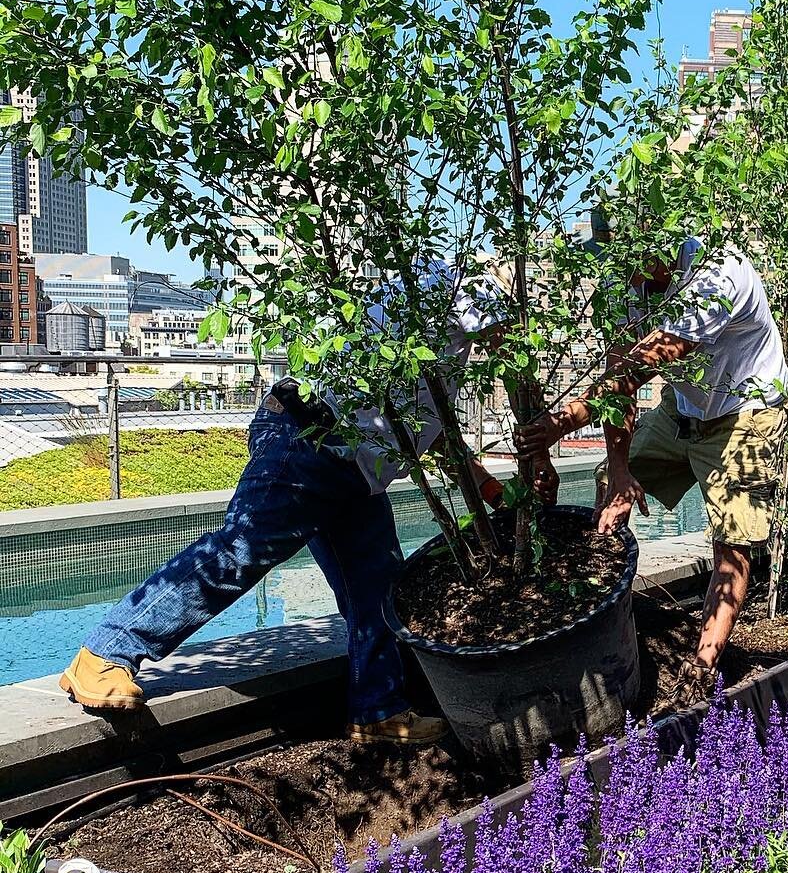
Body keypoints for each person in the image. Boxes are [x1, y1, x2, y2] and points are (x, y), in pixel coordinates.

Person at [60, 270, 557, 743]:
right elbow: (513, 358)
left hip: (356, 466)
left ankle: (378, 711)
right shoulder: (452, 284)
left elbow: (435, 429)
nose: (519, 317)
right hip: (311, 438)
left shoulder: (440, 344)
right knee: (239, 552)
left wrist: (494, 492)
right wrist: (540, 440)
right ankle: (106, 652)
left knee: (377, 588)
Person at [517, 226, 788, 704]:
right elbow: (617, 377)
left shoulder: (716, 273)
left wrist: (559, 423)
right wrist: (621, 472)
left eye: (631, 258)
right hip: (685, 408)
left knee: (733, 539)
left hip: (745, 412)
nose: (623, 271)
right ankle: (603, 619)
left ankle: (700, 671)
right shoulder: (623, 284)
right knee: (605, 481)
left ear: (658, 243)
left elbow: (638, 367)